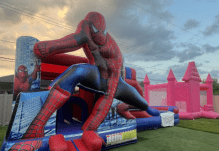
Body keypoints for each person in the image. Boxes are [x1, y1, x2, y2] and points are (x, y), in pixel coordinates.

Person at [22, 12, 160, 139]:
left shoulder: (113, 51)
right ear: (90, 27)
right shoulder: (86, 29)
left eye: (103, 32)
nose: (100, 35)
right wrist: (50, 46)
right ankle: (37, 124)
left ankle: (125, 108)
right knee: (77, 70)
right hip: (97, 75)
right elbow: (73, 41)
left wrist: (92, 126)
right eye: (96, 31)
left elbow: (109, 94)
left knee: (143, 104)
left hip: (115, 82)